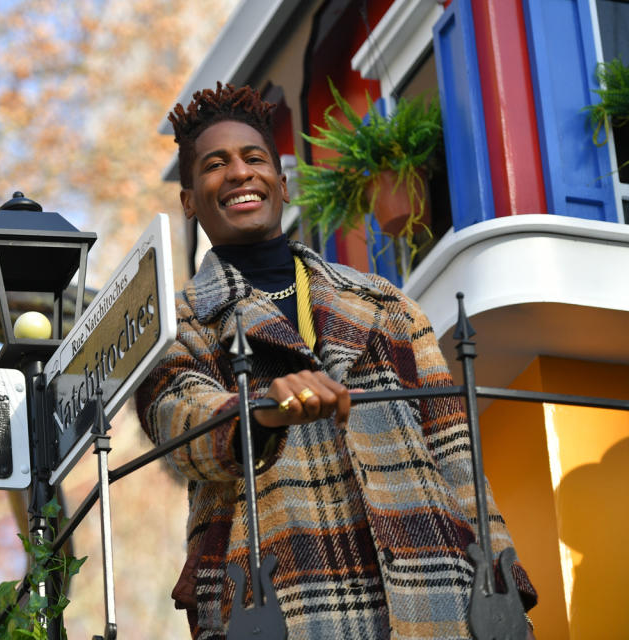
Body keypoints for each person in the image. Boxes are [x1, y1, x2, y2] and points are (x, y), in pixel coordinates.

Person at [136, 83, 537, 639]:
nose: (239, 173)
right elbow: (175, 419)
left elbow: (456, 452)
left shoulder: (385, 302)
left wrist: (502, 577)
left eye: (255, 159)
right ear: (188, 199)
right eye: (215, 164)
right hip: (283, 597)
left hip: (438, 589)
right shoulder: (180, 323)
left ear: (279, 181)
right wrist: (257, 412)